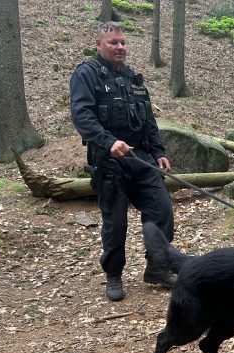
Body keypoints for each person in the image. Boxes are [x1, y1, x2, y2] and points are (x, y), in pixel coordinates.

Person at [69, 21, 175, 301]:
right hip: (109, 160)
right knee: (116, 224)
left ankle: (157, 267)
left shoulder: (133, 79)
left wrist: (159, 152)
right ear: (98, 44)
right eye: (113, 42)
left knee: (162, 210)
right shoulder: (86, 74)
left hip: (141, 158)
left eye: (123, 42)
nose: (120, 47)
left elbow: (149, 120)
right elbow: (82, 115)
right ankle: (113, 275)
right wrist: (108, 141)